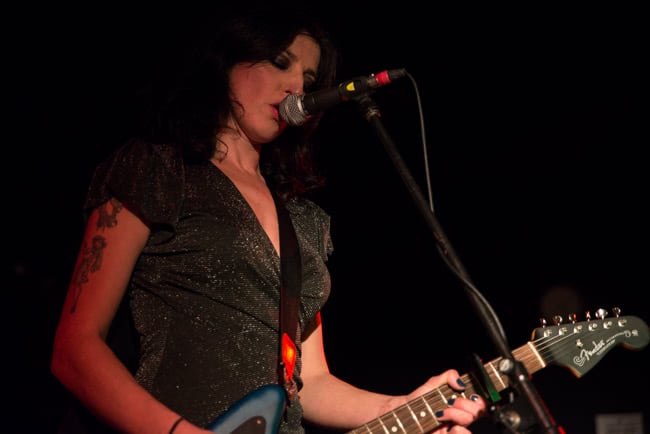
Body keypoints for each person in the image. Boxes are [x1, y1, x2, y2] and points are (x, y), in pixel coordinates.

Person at [50, 3, 486, 434]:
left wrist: (405, 406)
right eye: (280, 63)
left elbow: (311, 383)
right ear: (226, 61)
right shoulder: (157, 171)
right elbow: (76, 347)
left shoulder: (304, 220)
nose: (296, 87)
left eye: (309, 81)